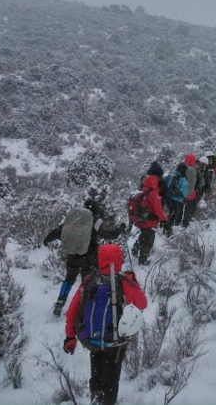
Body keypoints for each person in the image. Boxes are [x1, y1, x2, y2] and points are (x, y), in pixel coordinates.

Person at [63, 244, 147, 405]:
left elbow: (72, 311)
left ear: (100, 259)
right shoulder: (123, 281)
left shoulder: (89, 281)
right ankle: (108, 400)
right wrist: (133, 283)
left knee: (97, 372)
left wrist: (70, 337)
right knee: (111, 379)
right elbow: (142, 303)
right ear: (119, 259)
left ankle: (96, 397)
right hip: (115, 341)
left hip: (92, 339)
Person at [45, 188, 125, 316]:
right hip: (89, 257)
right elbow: (109, 234)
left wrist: (47, 239)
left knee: (69, 279)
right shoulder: (95, 220)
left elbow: (59, 231)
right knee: (87, 281)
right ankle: (84, 305)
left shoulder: (73, 219)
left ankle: (60, 301)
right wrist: (120, 229)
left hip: (72, 255)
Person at [132, 170, 168, 265]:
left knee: (144, 235)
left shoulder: (142, 190)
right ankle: (143, 259)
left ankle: (136, 247)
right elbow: (158, 209)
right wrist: (164, 219)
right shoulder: (153, 193)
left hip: (140, 219)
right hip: (149, 221)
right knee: (149, 240)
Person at [166, 162, 189, 227]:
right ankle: (168, 227)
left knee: (170, 212)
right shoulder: (181, 177)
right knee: (173, 213)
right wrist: (183, 196)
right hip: (176, 198)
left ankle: (167, 225)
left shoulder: (171, 174)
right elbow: (184, 191)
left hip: (168, 197)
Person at [182, 154, 198, 228]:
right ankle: (185, 223)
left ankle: (177, 222)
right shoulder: (193, 169)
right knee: (188, 209)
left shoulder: (182, 168)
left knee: (179, 209)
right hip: (190, 192)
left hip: (182, 192)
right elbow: (193, 182)